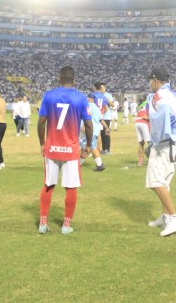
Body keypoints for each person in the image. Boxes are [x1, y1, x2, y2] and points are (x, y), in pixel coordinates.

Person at [37, 66, 93, 235]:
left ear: (59, 79)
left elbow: (41, 122)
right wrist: (89, 145)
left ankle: (43, 223)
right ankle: (66, 225)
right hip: (71, 150)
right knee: (71, 187)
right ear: (74, 80)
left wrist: (42, 143)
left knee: (48, 185)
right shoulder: (81, 98)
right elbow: (89, 124)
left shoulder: (49, 96)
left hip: (52, 148)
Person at [146, 66, 176, 237]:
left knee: (155, 181)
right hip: (174, 142)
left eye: (151, 81)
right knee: (164, 182)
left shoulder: (160, 96)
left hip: (164, 144)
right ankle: (166, 216)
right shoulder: (174, 94)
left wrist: (156, 141)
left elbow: (162, 117)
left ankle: (174, 217)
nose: (150, 84)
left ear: (156, 80)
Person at [84, 93, 107, 171]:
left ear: (89, 99)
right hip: (96, 130)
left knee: (92, 147)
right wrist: (106, 127)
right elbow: (101, 119)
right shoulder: (97, 108)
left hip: (89, 129)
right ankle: (78, 164)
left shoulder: (86, 106)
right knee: (86, 147)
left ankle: (100, 165)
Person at [134, 94, 150, 167]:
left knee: (141, 143)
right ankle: (153, 160)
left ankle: (140, 162)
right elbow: (149, 115)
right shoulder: (149, 103)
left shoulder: (140, 105)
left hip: (137, 122)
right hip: (144, 123)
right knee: (150, 143)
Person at [100, 82, 115, 154]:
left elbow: (112, 105)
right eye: (100, 88)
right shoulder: (98, 95)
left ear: (105, 88)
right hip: (100, 117)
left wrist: (107, 99)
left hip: (106, 117)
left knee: (106, 132)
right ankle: (103, 149)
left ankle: (107, 149)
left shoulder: (108, 95)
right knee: (102, 133)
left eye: (102, 88)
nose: (101, 89)